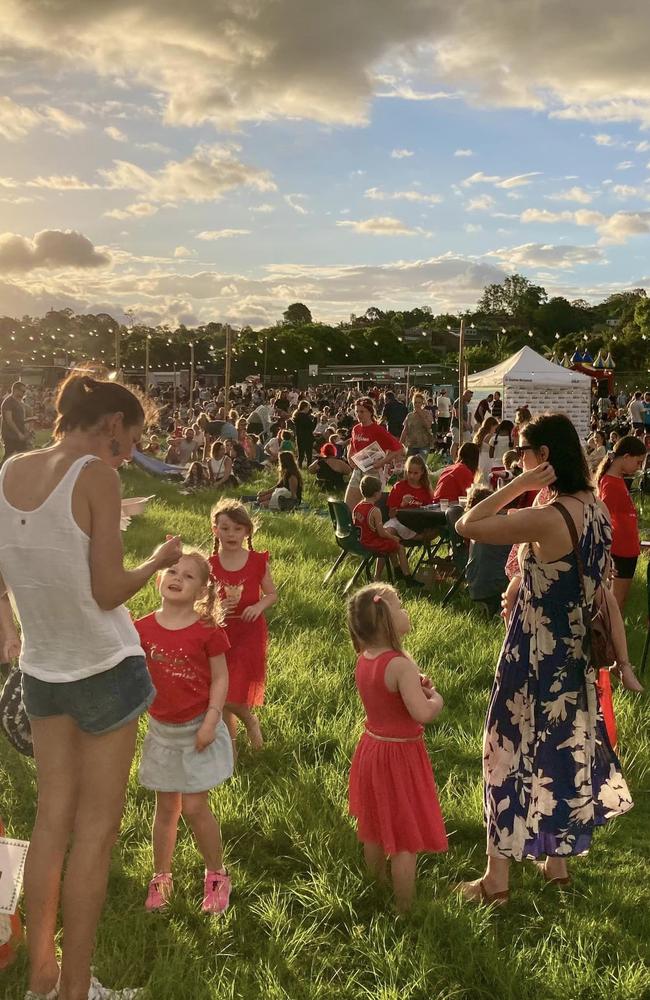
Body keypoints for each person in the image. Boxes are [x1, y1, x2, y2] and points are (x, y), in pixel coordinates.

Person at [0, 373, 181, 1000]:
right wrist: (157, 562)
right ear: (110, 423)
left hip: (42, 674)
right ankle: (75, 991)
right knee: (96, 835)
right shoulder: (96, 476)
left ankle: (41, 979)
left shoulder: (8, 472)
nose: (128, 455)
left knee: (51, 823)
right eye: (129, 439)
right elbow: (106, 591)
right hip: (104, 670)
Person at [454, 413, 639, 905]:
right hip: (573, 657)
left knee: (505, 750)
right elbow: (602, 595)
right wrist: (624, 664)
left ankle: (496, 881)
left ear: (545, 459)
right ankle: (555, 865)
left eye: (523, 453)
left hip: (532, 655)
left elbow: (467, 523)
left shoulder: (548, 514)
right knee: (559, 751)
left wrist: (518, 483)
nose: (518, 459)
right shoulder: (595, 508)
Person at [134, 552, 234, 916]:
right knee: (166, 808)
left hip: (198, 730)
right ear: (159, 579)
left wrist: (212, 719)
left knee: (193, 806)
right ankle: (161, 876)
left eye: (188, 576)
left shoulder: (207, 630)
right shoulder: (141, 628)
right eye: (171, 571)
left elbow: (221, 677)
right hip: (162, 733)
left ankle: (217, 874)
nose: (177, 577)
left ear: (201, 590)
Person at [347, 584, 446, 912]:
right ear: (387, 619)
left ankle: (376, 883)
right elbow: (421, 713)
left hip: (372, 749)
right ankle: (406, 907)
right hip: (400, 756)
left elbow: (391, 695)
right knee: (405, 835)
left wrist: (414, 686)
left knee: (374, 823)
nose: (406, 611)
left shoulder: (366, 658)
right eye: (400, 606)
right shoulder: (400, 665)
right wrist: (435, 699)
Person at [209, 500, 277, 755]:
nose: (231, 534)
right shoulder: (210, 565)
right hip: (222, 635)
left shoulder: (257, 562)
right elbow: (203, 602)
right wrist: (217, 610)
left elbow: (271, 594)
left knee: (231, 693)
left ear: (247, 532)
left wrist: (258, 606)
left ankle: (250, 721)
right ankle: (232, 749)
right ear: (215, 530)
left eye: (237, 529)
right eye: (225, 528)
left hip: (249, 633)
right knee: (223, 690)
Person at [597, 435, 646, 610]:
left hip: (628, 550)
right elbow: (603, 522)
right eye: (638, 462)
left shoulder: (617, 480)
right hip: (620, 552)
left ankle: (610, 636)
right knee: (614, 603)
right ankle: (606, 637)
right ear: (626, 457)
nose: (639, 467)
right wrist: (606, 556)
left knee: (618, 601)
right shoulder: (610, 484)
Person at [353, 476, 421, 586]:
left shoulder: (358, 507)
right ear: (376, 494)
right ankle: (408, 578)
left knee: (391, 544)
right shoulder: (375, 510)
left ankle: (397, 571)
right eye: (380, 491)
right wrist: (394, 537)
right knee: (399, 546)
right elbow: (381, 533)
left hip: (360, 540)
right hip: (371, 543)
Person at [345, 397, 404, 511]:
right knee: (348, 505)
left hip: (373, 472)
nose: (359, 414)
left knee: (370, 506)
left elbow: (399, 449)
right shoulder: (356, 429)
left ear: (370, 412)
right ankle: (351, 526)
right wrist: (349, 457)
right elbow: (352, 446)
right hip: (358, 470)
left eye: (362, 411)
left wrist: (382, 462)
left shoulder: (378, 430)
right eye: (357, 411)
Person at [384, 455, 434, 540]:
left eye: (415, 473)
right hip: (399, 522)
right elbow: (391, 515)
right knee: (388, 532)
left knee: (436, 530)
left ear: (422, 472)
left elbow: (431, 512)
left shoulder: (426, 489)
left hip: (418, 525)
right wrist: (402, 504)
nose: (411, 476)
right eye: (409, 472)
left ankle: (415, 538)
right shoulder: (399, 487)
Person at [1, 381, 29, 462]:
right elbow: (9, 420)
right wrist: (19, 433)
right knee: (8, 457)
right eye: (23, 391)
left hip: (18, 435)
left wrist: (26, 430)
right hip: (10, 435)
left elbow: (19, 420)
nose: (24, 393)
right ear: (16, 390)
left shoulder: (19, 402)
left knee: (22, 456)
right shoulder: (8, 402)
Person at [400, 393, 434, 457]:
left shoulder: (427, 413)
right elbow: (405, 430)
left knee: (422, 463)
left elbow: (428, 426)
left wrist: (421, 414)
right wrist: (400, 444)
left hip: (424, 445)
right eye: (415, 402)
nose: (417, 404)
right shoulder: (410, 415)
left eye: (419, 402)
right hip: (411, 445)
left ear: (422, 403)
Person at [473, 416, 499, 484]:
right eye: (495, 427)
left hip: (481, 458)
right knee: (487, 478)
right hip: (488, 459)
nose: (496, 430)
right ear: (491, 426)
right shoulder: (490, 436)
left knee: (482, 478)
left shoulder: (481, 434)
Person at [292, 400, 317, 468]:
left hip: (299, 437)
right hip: (307, 437)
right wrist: (315, 419)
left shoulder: (297, 416)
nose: (309, 409)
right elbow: (311, 427)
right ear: (305, 407)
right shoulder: (304, 417)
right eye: (308, 407)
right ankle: (309, 468)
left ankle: (299, 468)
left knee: (301, 455)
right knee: (309, 455)